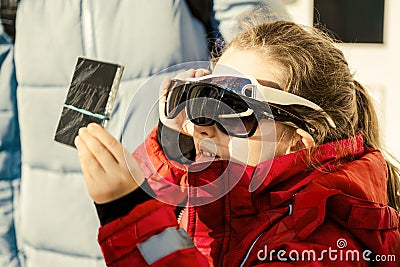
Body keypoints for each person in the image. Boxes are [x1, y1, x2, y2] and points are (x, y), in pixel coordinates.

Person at [80, 9, 400, 267]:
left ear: (298, 144)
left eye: (233, 107)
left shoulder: (319, 248)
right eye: (204, 98)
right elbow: (191, 217)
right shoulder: (234, 200)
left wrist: (130, 215)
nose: (204, 125)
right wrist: (176, 150)